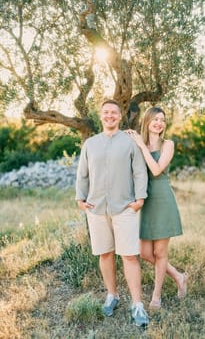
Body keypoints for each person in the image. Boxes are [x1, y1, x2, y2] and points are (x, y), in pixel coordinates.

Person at [75, 100, 150, 326]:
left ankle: (137, 305)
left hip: (124, 207)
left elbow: (139, 171)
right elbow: (82, 174)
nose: (110, 116)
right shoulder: (90, 144)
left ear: (120, 116)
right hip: (96, 208)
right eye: (106, 112)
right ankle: (112, 296)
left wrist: (139, 199)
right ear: (101, 116)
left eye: (114, 113)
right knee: (105, 254)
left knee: (129, 255)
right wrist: (80, 198)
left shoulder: (129, 142)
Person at [127, 106, 188, 309]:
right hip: (146, 201)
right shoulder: (139, 144)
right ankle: (179, 276)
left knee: (160, 253)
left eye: (162, 120)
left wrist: (141, 146)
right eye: (155, 119)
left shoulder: (167, 144)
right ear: (147, 122)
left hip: (162, 200)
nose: (159, 123)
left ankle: (156, 296)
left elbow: (155, 170)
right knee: (144, 253)